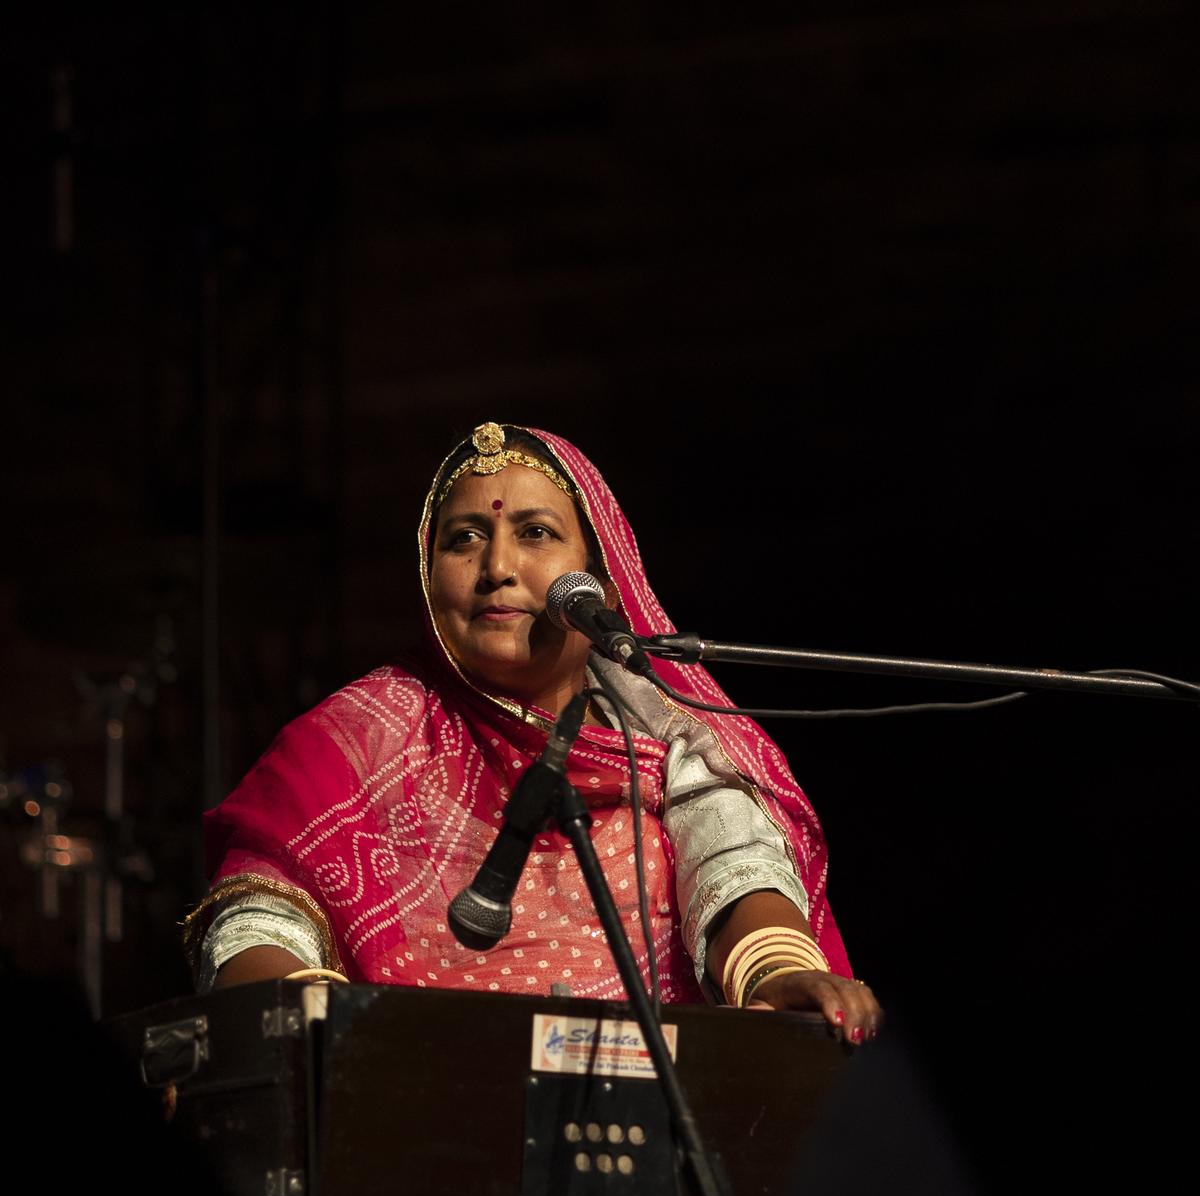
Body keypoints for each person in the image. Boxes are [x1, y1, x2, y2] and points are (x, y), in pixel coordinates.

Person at [186, 422, 881, 1041]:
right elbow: (257, 914)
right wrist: (309, 1027)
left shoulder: (672, 733)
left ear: (603, 584)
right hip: (412, 1117)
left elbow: (735, 869)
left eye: (536, 533)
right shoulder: (357, 736)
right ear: (430, 583)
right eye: (464, 540)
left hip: (662, 1122)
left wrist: (773, 975)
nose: (497, 569)